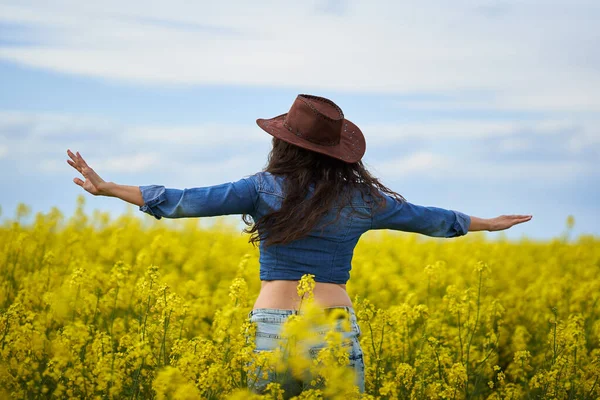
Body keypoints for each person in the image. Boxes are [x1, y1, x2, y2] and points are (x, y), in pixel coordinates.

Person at [66, 94, 532, 396]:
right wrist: (486, 224)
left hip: (274, 320)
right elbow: (427, 218)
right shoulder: (363, 199)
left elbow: (186, 201)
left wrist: (109, 188)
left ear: (284, 145)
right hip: (332, 320)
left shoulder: (262, 187)